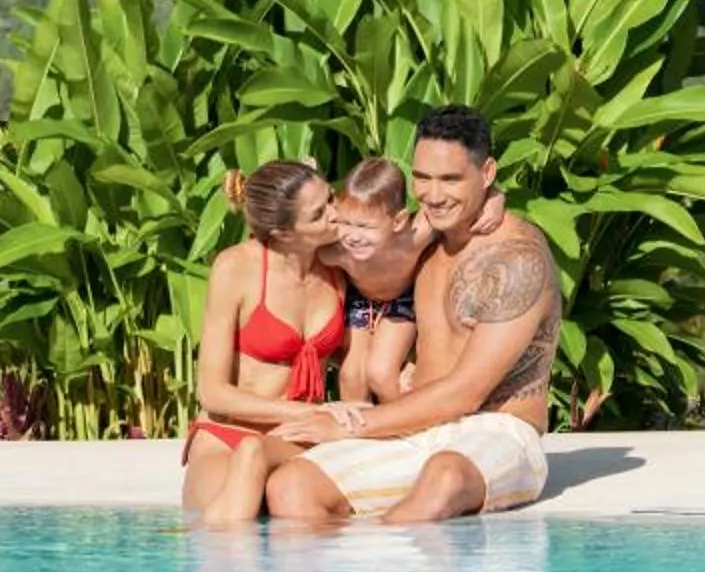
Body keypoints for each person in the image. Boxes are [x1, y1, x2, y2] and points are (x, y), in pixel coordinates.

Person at [261, 107, 556, 526]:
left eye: (451, 179)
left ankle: (395, 563)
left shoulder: (516, 258)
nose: (433, 195)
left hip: (497, 429)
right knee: (291, 486)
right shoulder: (421, 236)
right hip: (418, 427)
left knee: (443, 476)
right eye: (422, 178)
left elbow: (467, 393)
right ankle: (355, 568)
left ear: (487, 173)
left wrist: (354, 425)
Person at [180, 160, 347, 526]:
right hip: (228, 434)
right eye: (319, 214)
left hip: (301, 440)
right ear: (282, 232)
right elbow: (212, 392)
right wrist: (306, 412)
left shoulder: (340, 267)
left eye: (331, 198)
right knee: (223, 526)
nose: (336, 214)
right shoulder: (236, 268)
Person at [329, 156, 434, 405]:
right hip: (360, 301)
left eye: (365, 226)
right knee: (351, 377)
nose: (353, 236)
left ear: (398, 221)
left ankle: (402, 422)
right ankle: (356, 429)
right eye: (345, 222)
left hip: (401, 301)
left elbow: (457, 205)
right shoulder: (335, 251)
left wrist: (494, 199)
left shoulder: (415, 237)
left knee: (381, 373)